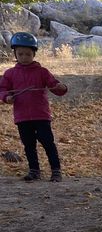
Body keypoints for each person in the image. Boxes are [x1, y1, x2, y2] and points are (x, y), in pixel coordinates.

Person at [0, 32, 67, 182]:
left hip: (41, 115)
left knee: (47, 142)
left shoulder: (42, 72)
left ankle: (56, 170)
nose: (24, 57)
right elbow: (3, 90)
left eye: (28, 54)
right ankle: (34, 170)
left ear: (34, 54)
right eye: (21, 54)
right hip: (22, 117)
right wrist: (6, 97)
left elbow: (54, 86)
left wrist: (61, 87)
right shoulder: (10, 73)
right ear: (15, 54)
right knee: (29, 145)